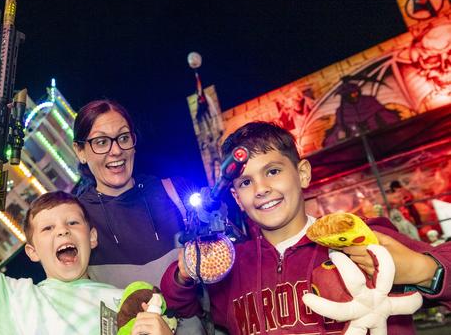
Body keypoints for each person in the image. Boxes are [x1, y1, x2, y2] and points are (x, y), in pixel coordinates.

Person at [160, 121, 451, 335]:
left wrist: (422, 269)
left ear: (302, 174)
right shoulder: (234, 267)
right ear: (236, 197)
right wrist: (184, 274)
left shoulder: (361, 238)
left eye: (273, 171)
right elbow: (184, 308)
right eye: (246, 182)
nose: (261, 189)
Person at [0, 131, 171, 335]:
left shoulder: (129, 302)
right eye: (47, 228)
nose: (63, 231)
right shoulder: (15, 302)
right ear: (32, 251)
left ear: (92, 237)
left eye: (73, 223)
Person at [72, 100, 208, 333]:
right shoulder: (76, 220)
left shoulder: (174, 192)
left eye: (123, 138)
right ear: (80, 151)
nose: (116, 151)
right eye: (101, 142)